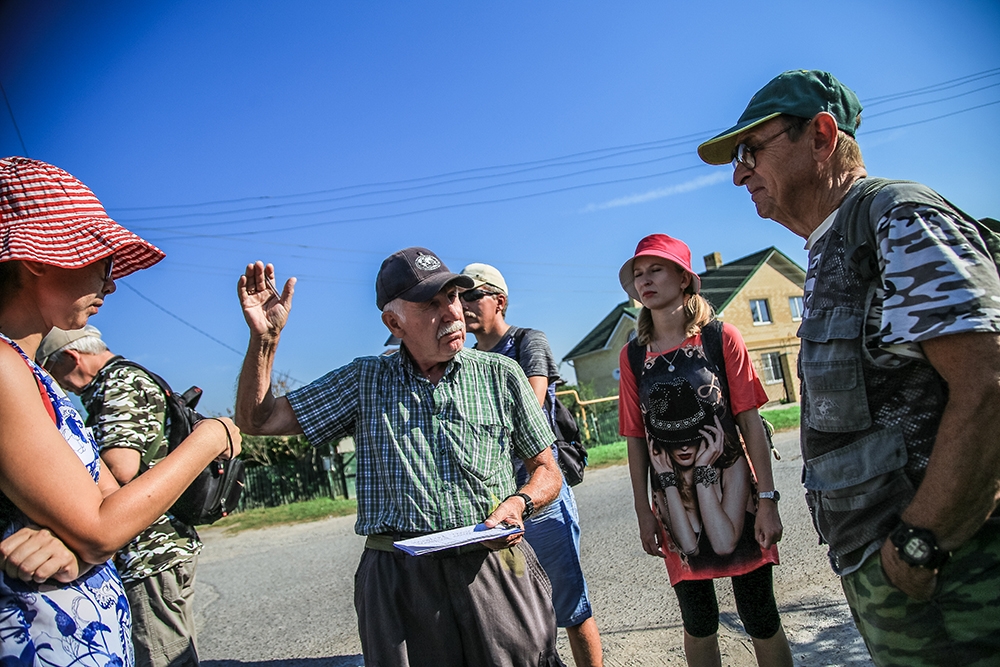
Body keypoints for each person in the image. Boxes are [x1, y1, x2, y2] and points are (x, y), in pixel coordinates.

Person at [696, 69, 1000, 665]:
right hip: (896, 578)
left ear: (821, 135)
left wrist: (920, 542)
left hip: (955, 576)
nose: (739, 173)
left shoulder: (897, 218)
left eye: (750, 151)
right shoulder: (831, 247)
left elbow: (989, 382)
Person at [234, 247, 565, 667]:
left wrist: (520, 503)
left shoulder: (500, 374)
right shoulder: (364, 380)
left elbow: (546, 470)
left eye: (453, 297)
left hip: (494, 565)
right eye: (431, 303)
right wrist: (264, 341)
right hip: (400, 578)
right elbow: (257, 420)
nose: (452, 313)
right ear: (394, 322)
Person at [0, 156, 240, 667]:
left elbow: (106, 511)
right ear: (37, 260)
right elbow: (103, 524)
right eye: (101, 260)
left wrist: (71, 538)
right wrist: (212, 435)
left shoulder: (32, 373)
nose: (111, 283)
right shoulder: (2, 366)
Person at [617, 234, 792, 667]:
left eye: (656, 269)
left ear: (683, 277)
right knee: (698, 619)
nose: (645, 280)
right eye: (638, 274)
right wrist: (643, 509)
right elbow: (636, 438)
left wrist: (768, 500)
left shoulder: (720, 337)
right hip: (673, 499)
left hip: (737, 490)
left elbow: (750, 424)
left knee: (759, 614)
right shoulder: (633, 355)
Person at [460, 262, 604, 667]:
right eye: (459, 297)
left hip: (540, 495)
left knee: (571, 607)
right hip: (495, 503)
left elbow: (532, 402)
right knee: (518, 612)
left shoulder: (528, 342)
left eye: (473, 295)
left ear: (499, 301)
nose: (464, 304)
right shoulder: (468, 361)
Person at [37, 325, 202, 667]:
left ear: (71, 357)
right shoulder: (135, 377)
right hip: (167, 541)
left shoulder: (116, 384)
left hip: (146, 548)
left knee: (162, 655)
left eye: (52, 372)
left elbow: (121, 467)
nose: (58, 383)